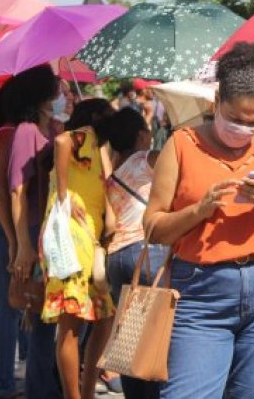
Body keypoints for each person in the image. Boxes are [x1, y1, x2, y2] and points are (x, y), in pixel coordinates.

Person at [144, 42, 254, 399]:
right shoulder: (181, 145)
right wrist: (198, 212)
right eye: (235, 119)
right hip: (201, 296)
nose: (244, 129)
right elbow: (153, 228)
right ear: (216, 103)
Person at [42, 98, 116, 399]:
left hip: (88, 240)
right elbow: (61, 139)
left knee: (104, 316)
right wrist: (64, 195)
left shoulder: (96, 146)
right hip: (72, 239)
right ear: (98, 117)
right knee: (71, 323)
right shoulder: (85, 134)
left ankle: (84, 392)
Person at [6, 64, 63, 399]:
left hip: (54, 232)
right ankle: (40, 391)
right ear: (43, 95)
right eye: (57, 88)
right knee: (41, 316)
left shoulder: (54, 129)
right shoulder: (27, 132)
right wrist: (23, 246)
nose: (62, 93)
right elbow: (17, 192)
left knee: (54, 315)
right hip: (36, 232)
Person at [104, 107, 168, 399]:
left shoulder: (112, 176)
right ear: (142, 135)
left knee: (129, 340)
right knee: (154, 337)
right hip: (146, 254)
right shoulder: (147, 159)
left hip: (117, 257)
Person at [0, 87, 21, 399]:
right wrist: (13, 238)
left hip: (1, 223)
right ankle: (5, 383)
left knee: (11, 305)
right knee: (8, 306)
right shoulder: (6, 135)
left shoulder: (7, 134)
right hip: (0, 222)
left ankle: (8, 379)